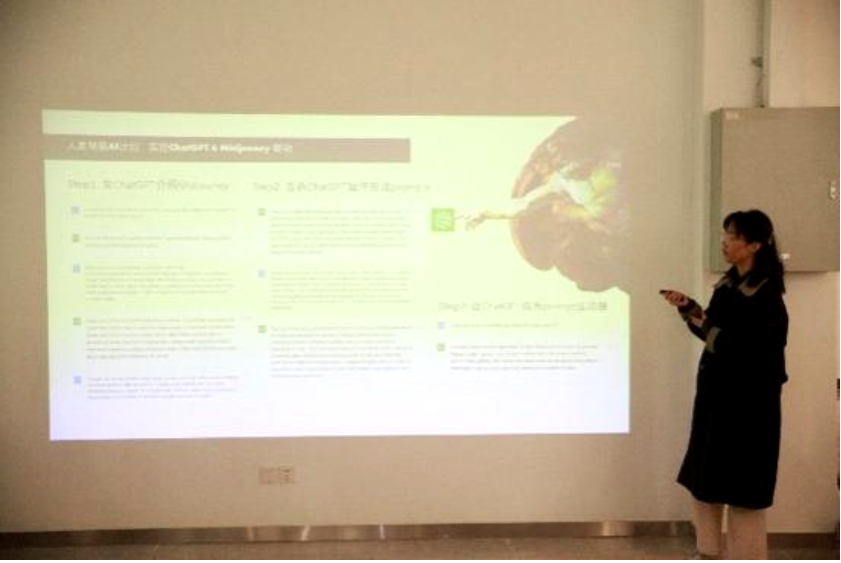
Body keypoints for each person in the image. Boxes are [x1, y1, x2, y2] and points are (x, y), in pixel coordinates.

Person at [661, 209, 788, 560]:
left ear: (755, 245)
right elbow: (712, 332)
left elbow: (742, 348)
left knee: (745, 490)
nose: (725, 242)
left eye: (733, 236)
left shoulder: (767, 297)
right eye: (725, 234)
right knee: (706, 482)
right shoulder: (728, 285)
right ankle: (707, 552)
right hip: (715, 401)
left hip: (749, 407)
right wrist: (689, 309)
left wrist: (708, 328)